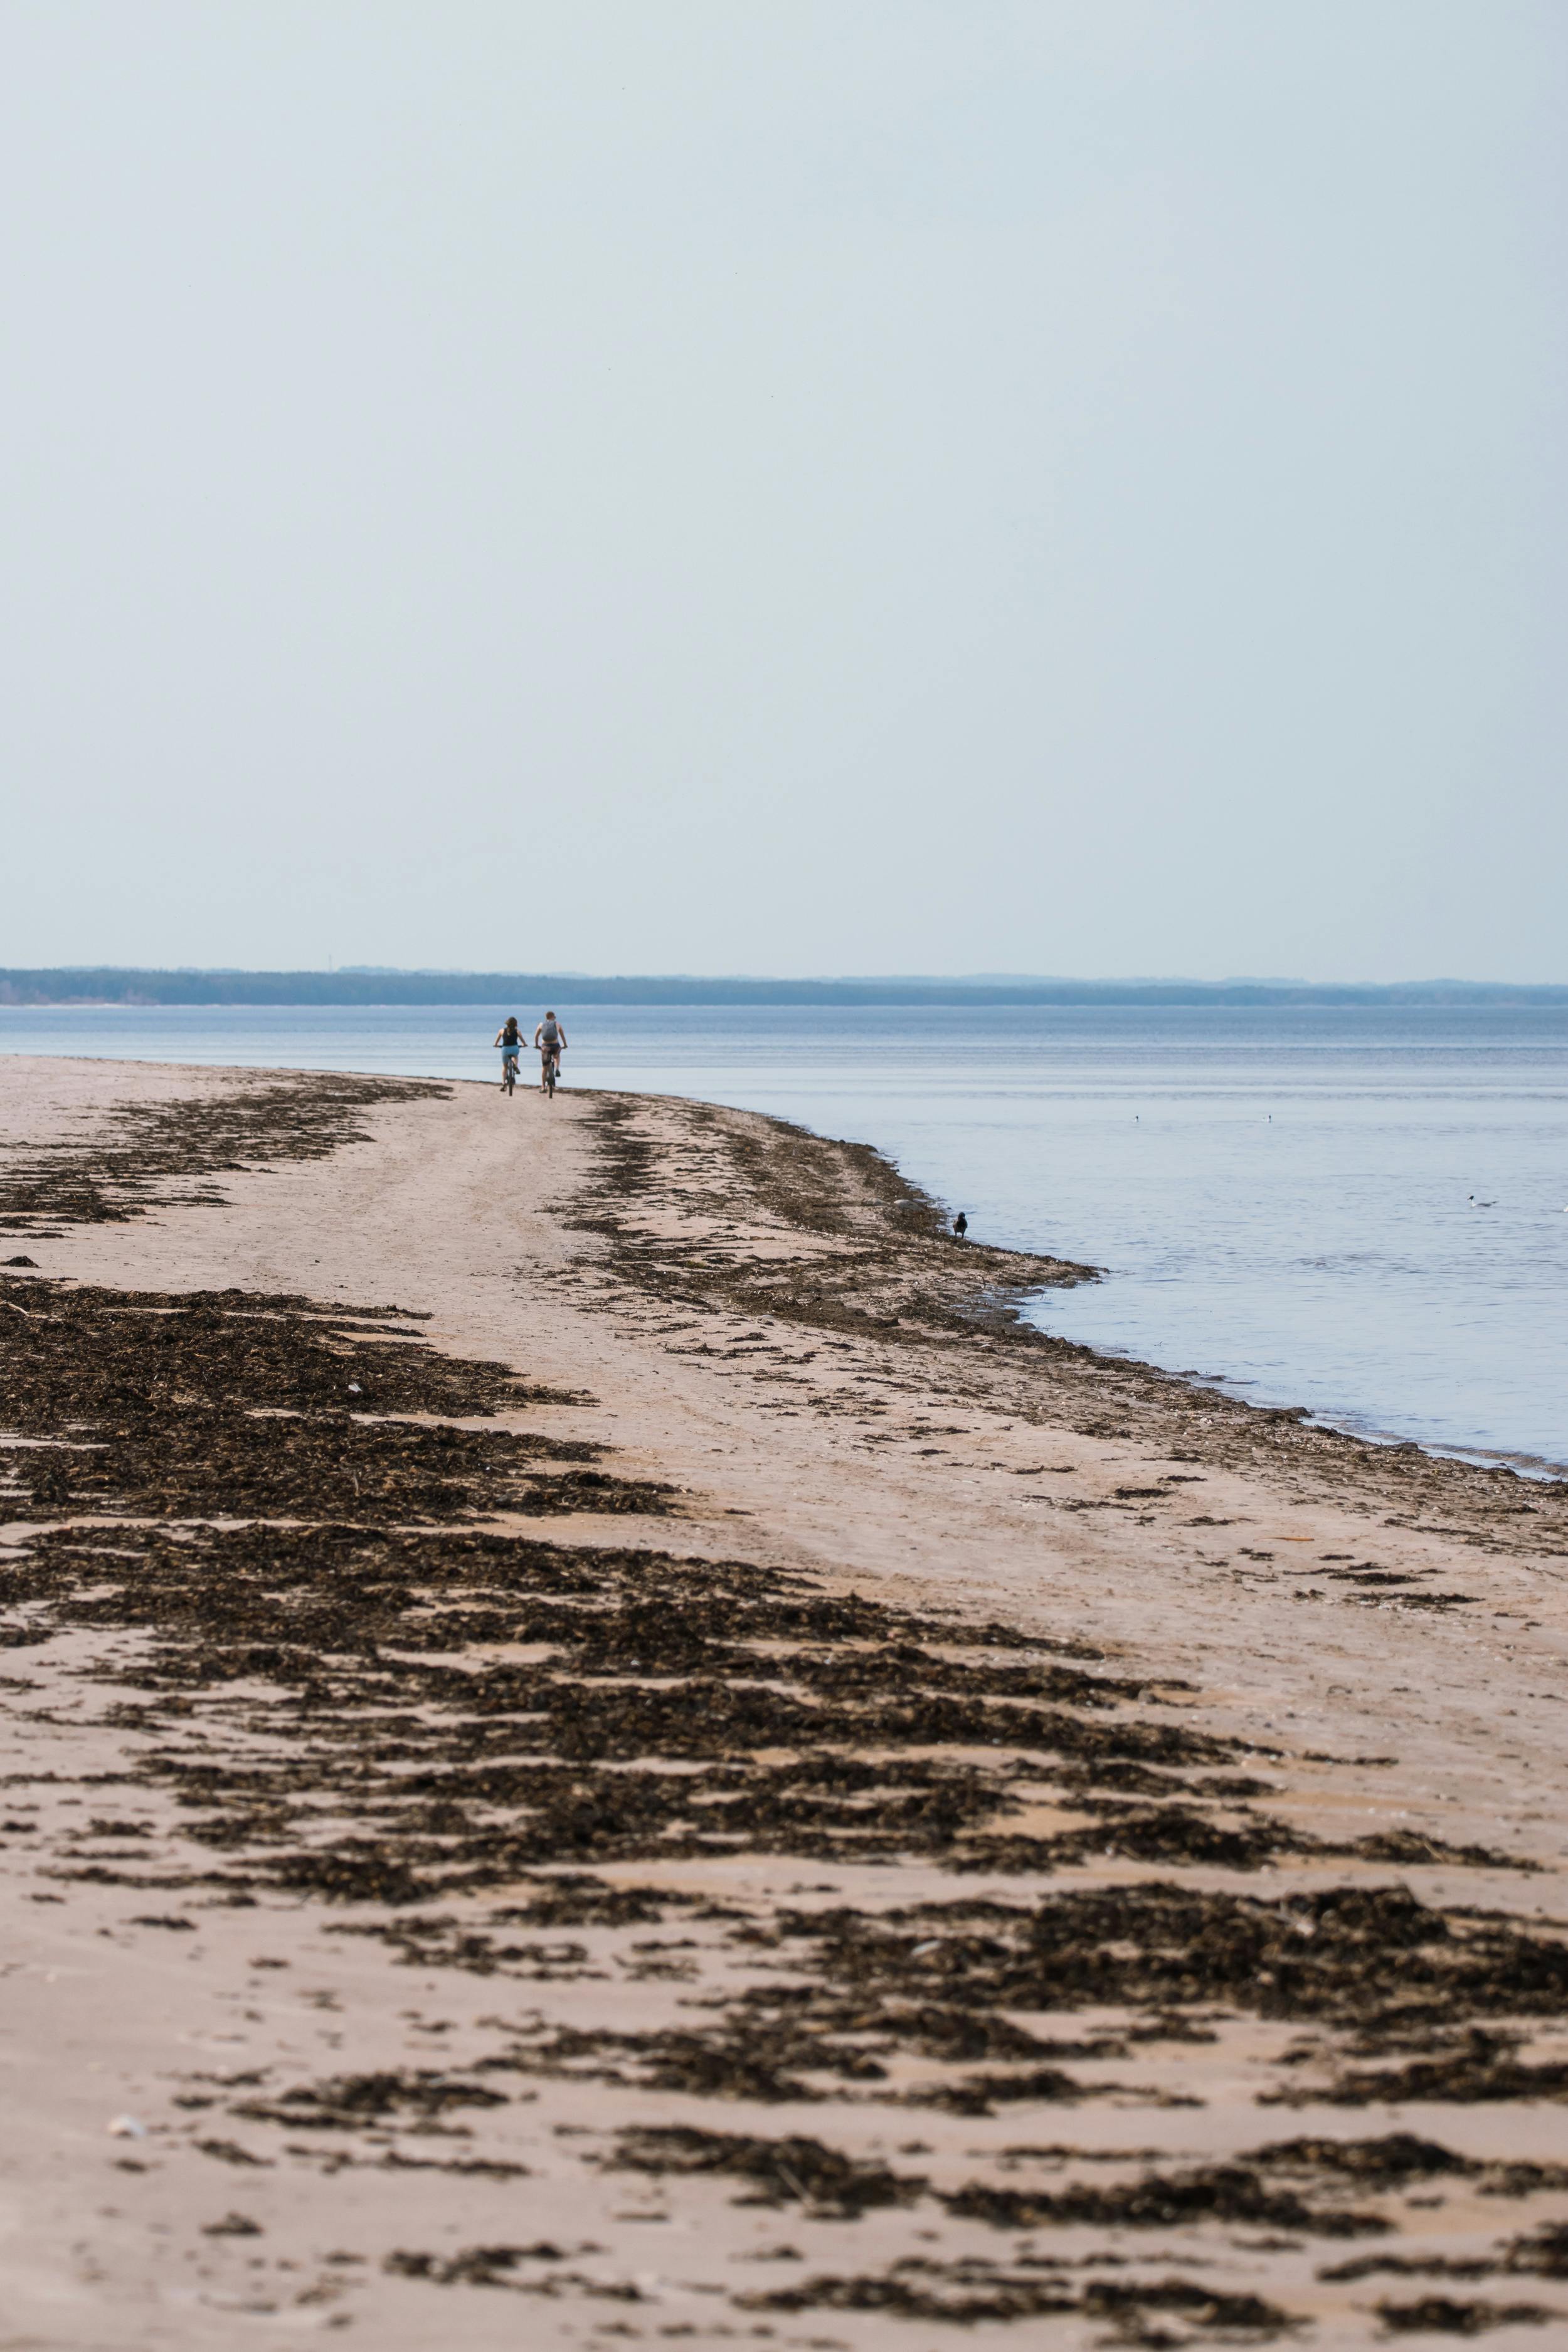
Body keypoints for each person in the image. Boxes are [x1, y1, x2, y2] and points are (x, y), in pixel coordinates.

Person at [534, 1009, 568, 1092]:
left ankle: (543, 1087)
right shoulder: (557, 1024)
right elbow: (563, 1036)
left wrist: (537, 1045)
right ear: (552, 1017)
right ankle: (557, 1069)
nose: (555, 1018)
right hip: (555, 1046)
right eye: (555, 1017)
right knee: (557, 1057)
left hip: (545, 1047)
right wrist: (565, 1045)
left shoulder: (541, 1024)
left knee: (544, 1067)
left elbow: (536, 1037)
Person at [493, 1016, 521, 1090]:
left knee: (505, 1067)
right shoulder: (517, 1031)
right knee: (516, 1056)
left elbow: (496, 1042)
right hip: (515, 1049)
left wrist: (496, 1045)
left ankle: (503, 1084)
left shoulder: (501, 1031)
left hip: (505, 1049)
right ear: (515, 1024)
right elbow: (523, 1041)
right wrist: (524, 1045)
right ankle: (515, 1066)